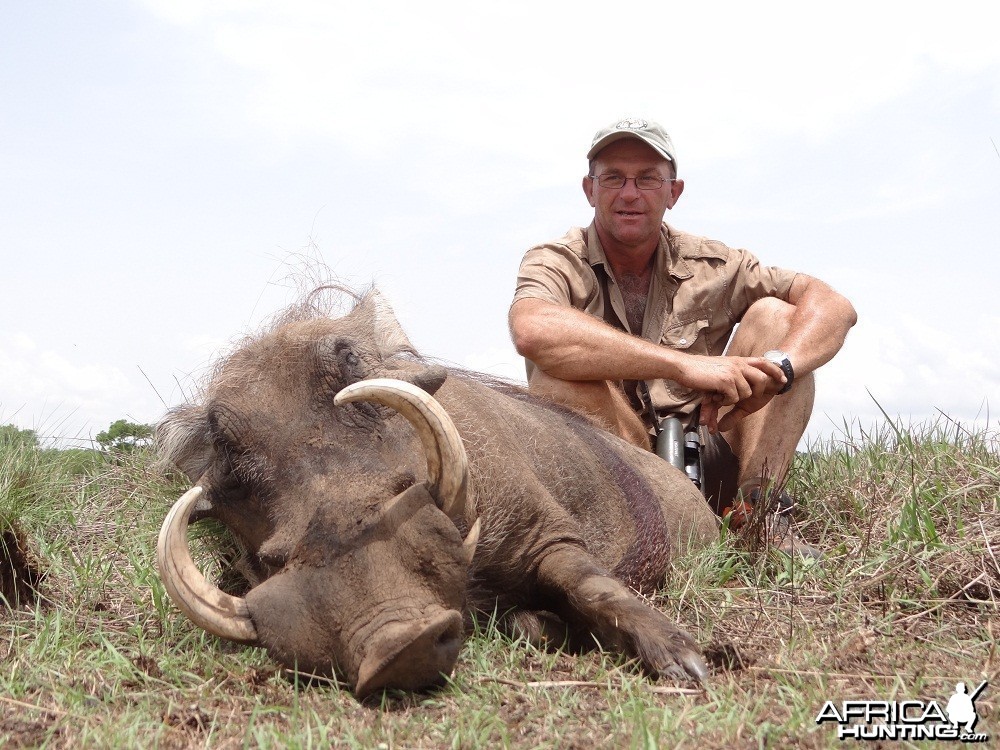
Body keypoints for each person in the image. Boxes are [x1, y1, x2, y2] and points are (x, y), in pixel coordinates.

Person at [508, 117, 857, 556]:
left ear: (673, 193)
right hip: (620, 465)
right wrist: (681, 364)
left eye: (648, 179)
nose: (629, 193)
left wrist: (777, 367)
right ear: (589, 189)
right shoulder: (555, 260)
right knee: (557, 376)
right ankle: (615, 535)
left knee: (776, 318)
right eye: (613, 177)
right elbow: (532, 328)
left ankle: (758, 516)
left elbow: (833, 306)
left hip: (710, 448)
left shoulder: (716, 263)